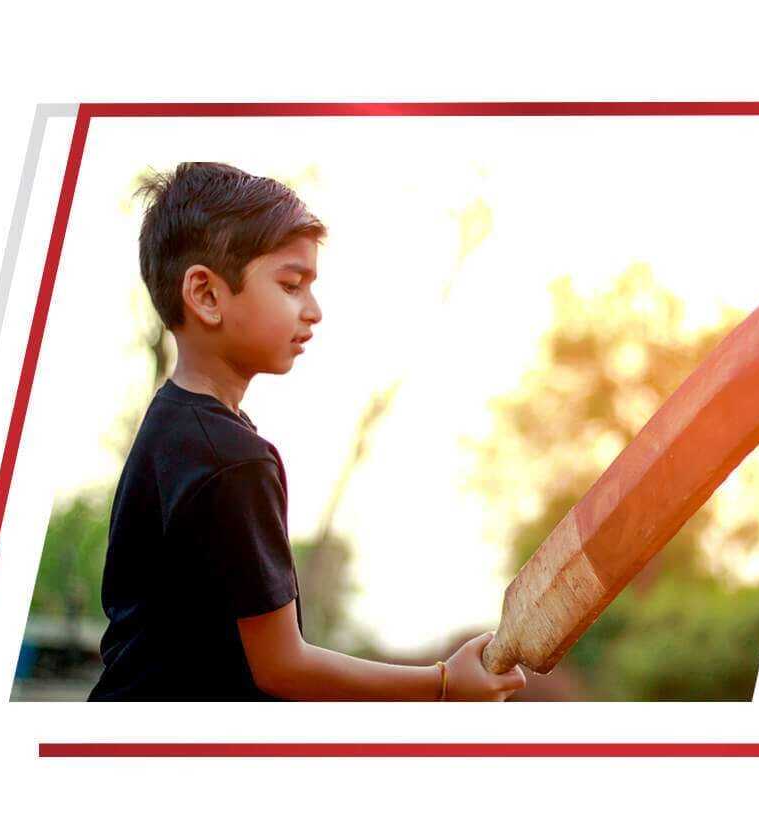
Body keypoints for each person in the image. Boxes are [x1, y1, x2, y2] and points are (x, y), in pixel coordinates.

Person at [89, 162, 526, 701]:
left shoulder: (171, 423)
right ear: (205, 295)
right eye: (291, 285)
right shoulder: (231, 458)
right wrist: (441, 685)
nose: (313, 311)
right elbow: (282, 666)